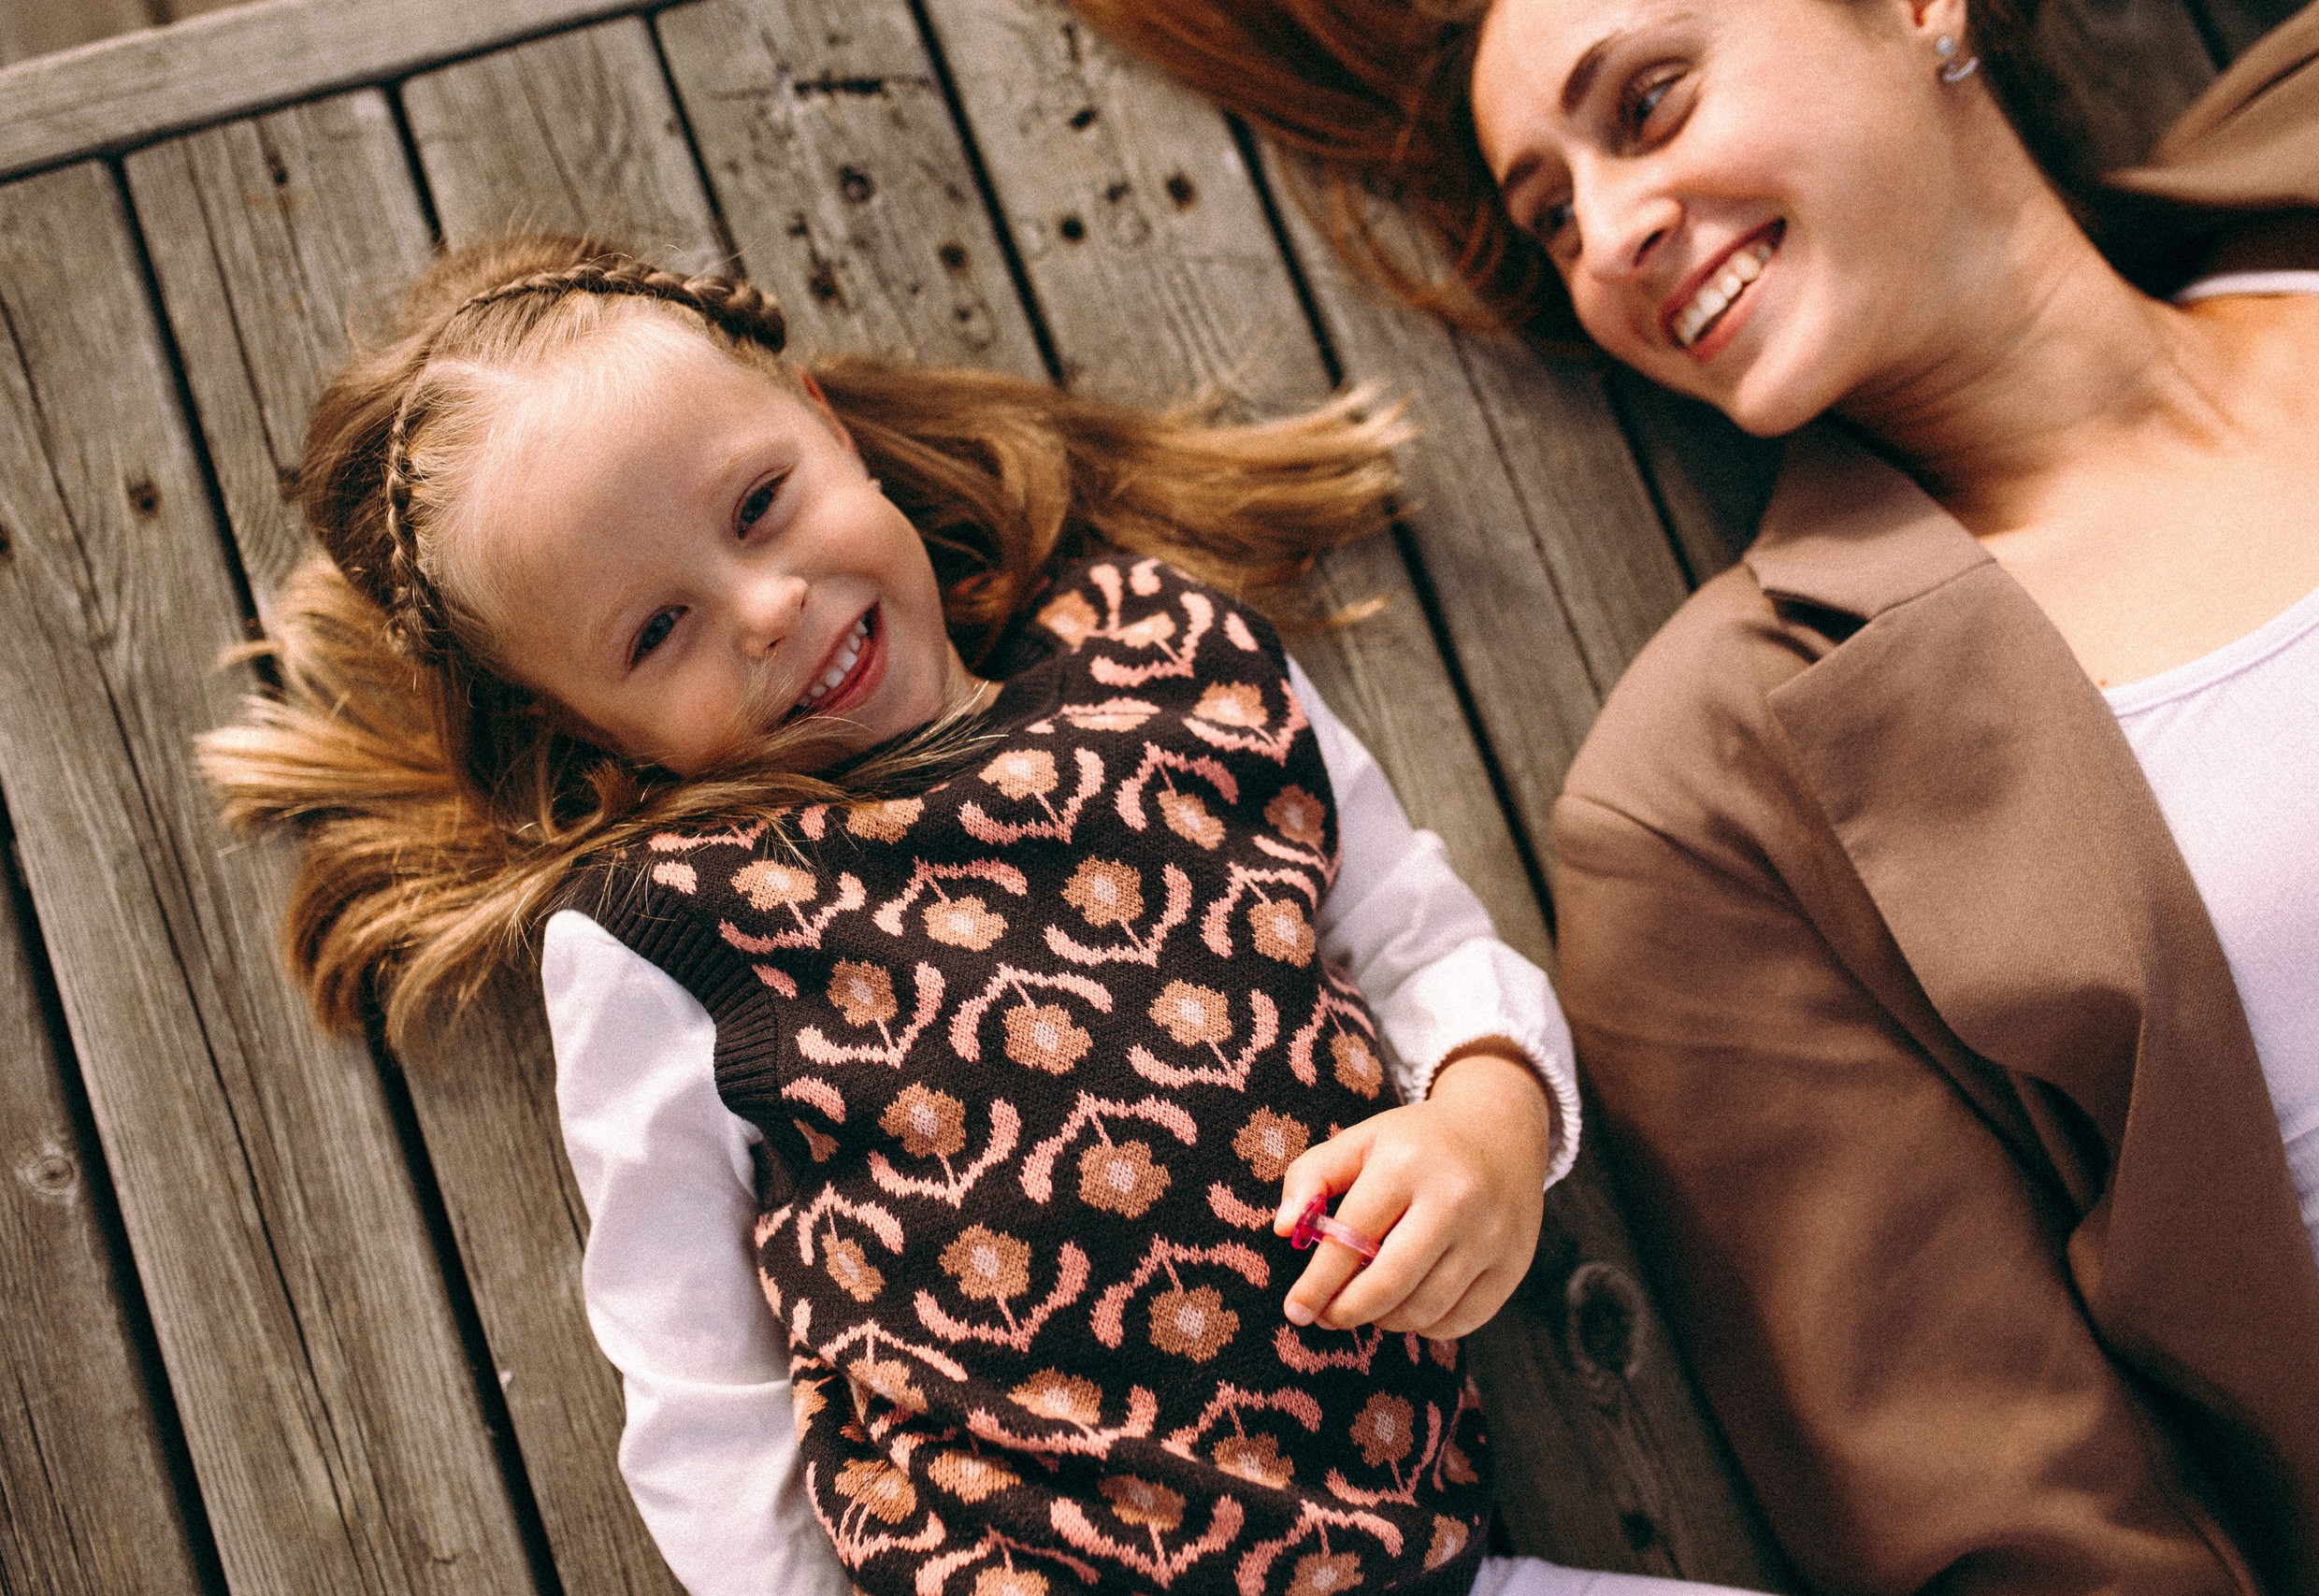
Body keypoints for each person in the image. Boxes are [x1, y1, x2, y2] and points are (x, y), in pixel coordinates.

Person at [200, 234, 1768, 1596]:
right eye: (657, 629)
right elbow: (702, 1394)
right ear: (590, 729)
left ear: (824, 426)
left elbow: (1420, 944)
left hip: (1417, 1566)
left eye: (760, 503)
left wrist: (1488, 1123)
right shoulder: (677, 932)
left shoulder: (1174, 662)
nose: (764, 610)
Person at [1073, 0, 2319, 1590]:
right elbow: (2021, 1536)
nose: (1607, 231)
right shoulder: (1711, 803)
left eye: (1648, 104)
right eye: (1551, 215)